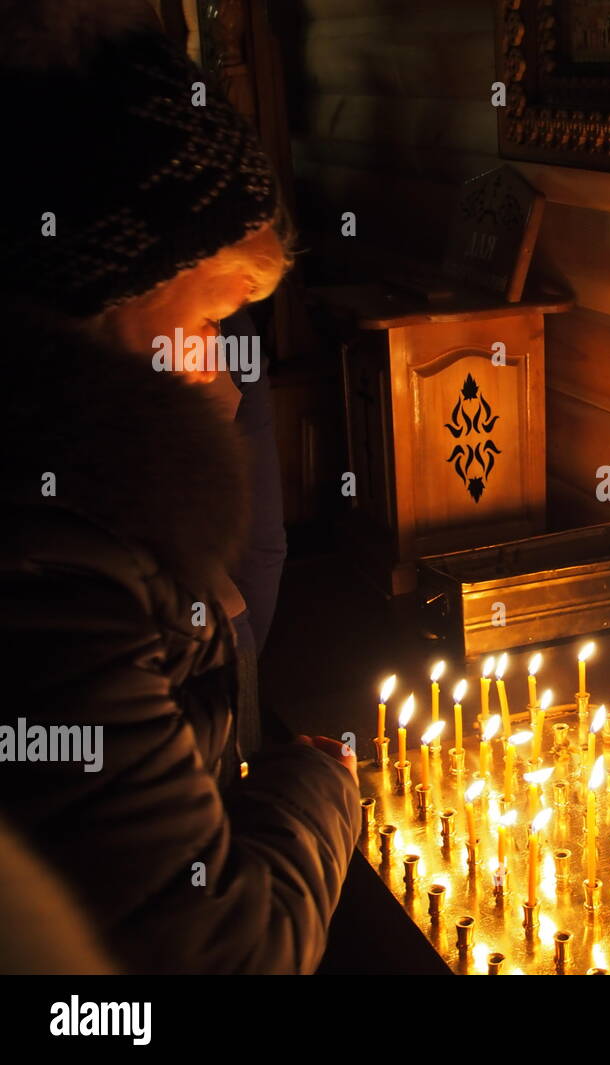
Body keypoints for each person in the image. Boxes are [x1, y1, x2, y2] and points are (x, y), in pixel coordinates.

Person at [0, 0, 358, 973]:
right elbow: (221, 956)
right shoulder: (58, 582)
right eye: (203, 323)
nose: (225, 372)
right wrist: (322, 792)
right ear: (89, 294)